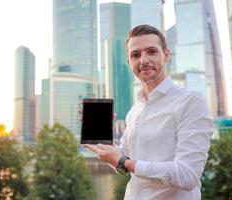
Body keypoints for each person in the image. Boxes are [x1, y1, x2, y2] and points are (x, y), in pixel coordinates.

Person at [83, 24, 213, 200]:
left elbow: (188, 174)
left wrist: (125, 163)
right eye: (135, 55)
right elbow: (124, 164)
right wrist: (105, 145)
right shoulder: (135, 110)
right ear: (129, 62)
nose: (143, 60)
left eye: (151, 51)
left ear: (166, 54)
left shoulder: (190, 101)